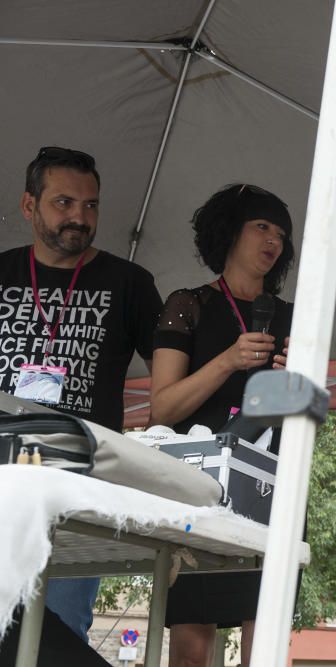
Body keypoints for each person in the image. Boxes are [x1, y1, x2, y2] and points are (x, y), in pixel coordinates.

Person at [0, 146, 162, 641]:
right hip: (2, 477)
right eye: (64, 203)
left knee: (62, 629)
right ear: (29, 206)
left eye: (90, 205)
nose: (79, 217)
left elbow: (172, 381)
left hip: (83, 482)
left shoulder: (129, 283)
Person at [149, 184, 295, 667]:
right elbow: (162, 410)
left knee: (266, 644)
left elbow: (308, 412)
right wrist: (228, 360)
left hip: (273, 488)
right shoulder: (188, 303)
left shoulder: (297, 317)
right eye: (261, 226)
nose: (272, 240)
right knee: (191, 647)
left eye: (281, 233)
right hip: (198, 487)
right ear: (229, 231)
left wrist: (297, 383)